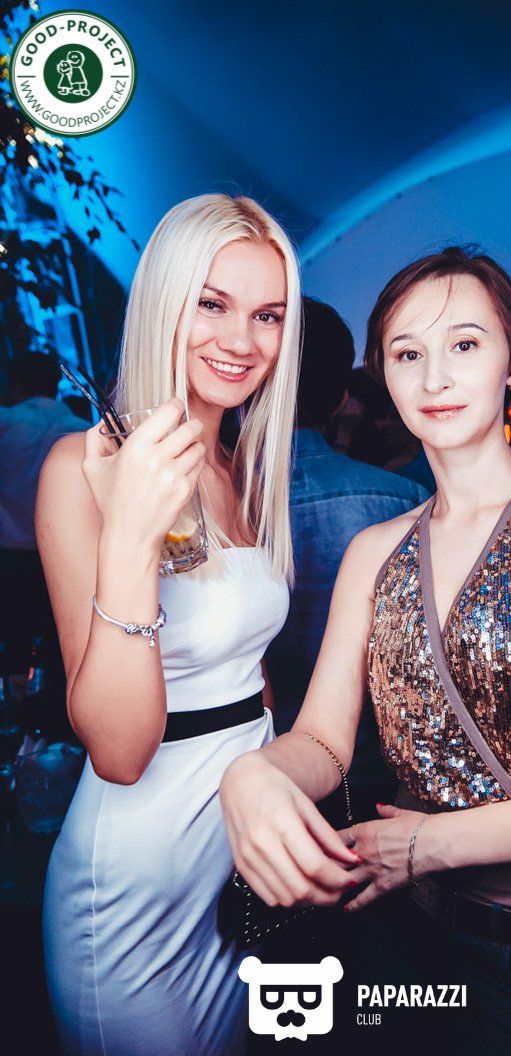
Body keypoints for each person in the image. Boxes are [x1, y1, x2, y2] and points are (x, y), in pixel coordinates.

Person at [219, 246, 511, 1056]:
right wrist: (254, 774)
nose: (435, 377)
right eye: (407, 354)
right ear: (384, 377)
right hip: (401, 927)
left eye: (465, 344)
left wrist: (431, 845)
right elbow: (325, 740)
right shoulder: (374, 550)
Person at [35, 193, 301, 1056]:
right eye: (212, 303)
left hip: (237, 866)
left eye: (267, 315)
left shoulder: (240, 466)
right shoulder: (83, 466)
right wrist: (132, 534)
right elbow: (119, 751)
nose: (241, 340)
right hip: (139, 879)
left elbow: (250, 675)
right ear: (162, 302)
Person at [266, 296, 430, 818]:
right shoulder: (403, 500)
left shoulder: (217, 501)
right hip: (371, 768)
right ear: (341, 399)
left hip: (254, 762)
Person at [0, 350, 85, 678]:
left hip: (9, 553)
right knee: (63, 639)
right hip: (65, 554)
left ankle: (18, 703)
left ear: (16, 385)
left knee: (13, 638)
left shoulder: (6, 423)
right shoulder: (82, 430)